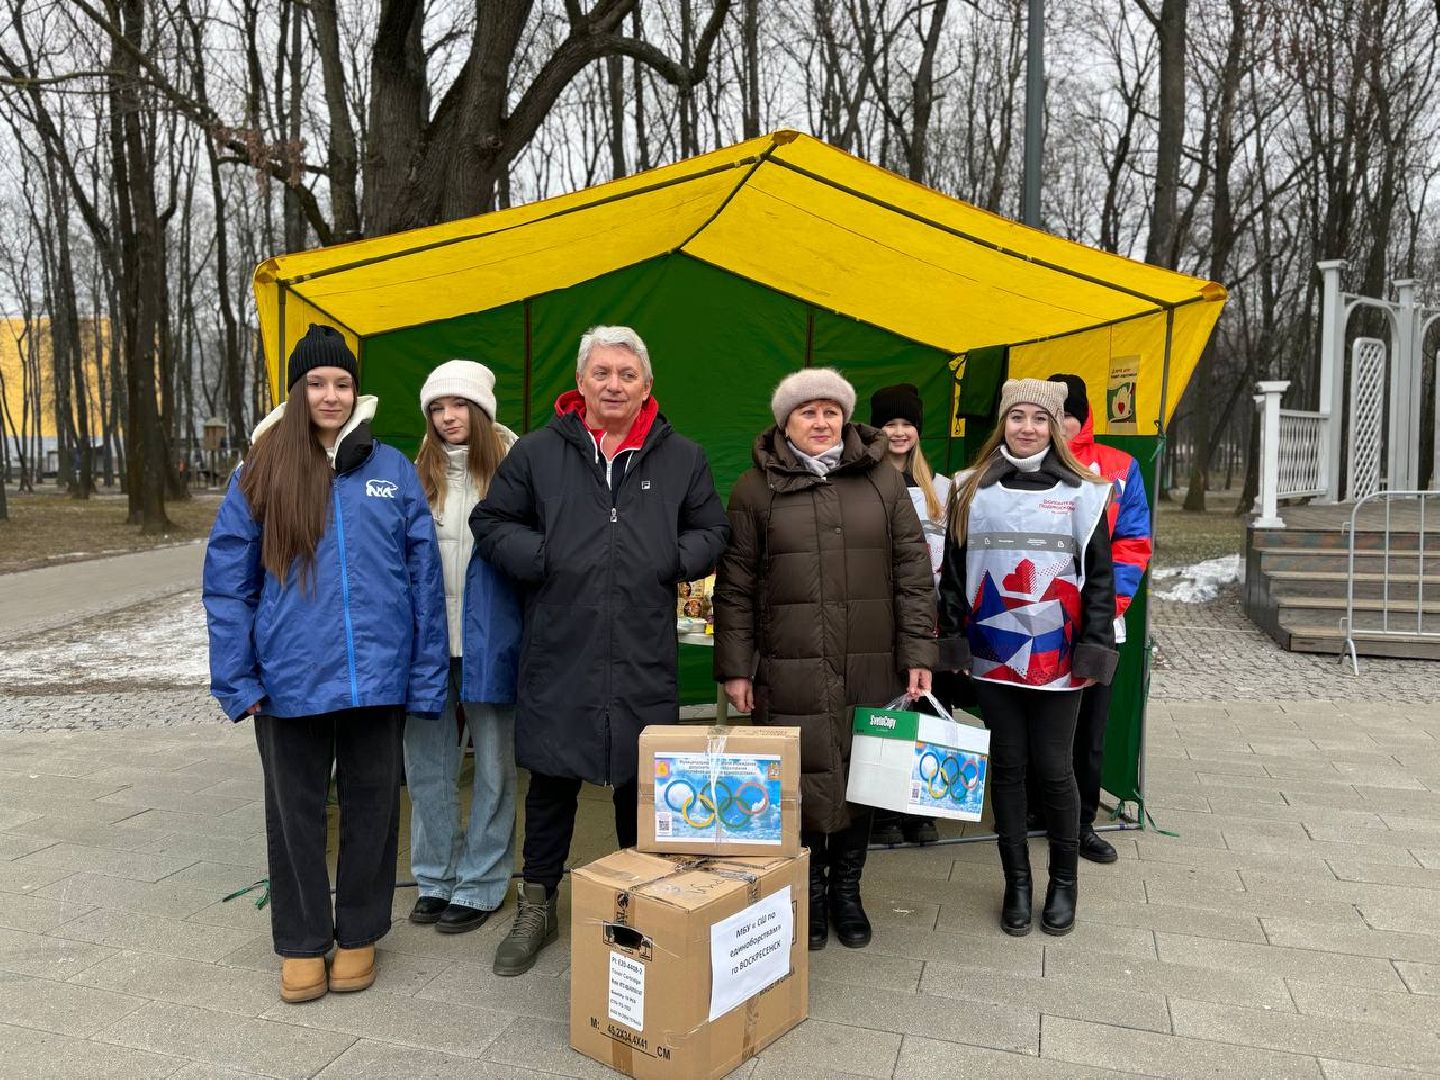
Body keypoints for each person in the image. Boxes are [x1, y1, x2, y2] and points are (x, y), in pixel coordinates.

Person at [470, 325, 729, 976]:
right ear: (580, 382)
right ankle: (538, 904)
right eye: (601, 373)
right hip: (561, 644)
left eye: (627, 374)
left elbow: (712, 529)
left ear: (647, 385)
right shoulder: (535, 453)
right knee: (553, 780)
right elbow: (492, 522)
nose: (614, 384)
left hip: (643, 646)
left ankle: (641, 903)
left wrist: (673, 558)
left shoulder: (683, 457)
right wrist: (543, 558)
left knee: (641, 785)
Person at [203, 323, 448, 1003]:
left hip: (378, 679)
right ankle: (304, 941)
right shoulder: (259, 471)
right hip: (288, 682)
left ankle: (361, 934)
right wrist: (238, 679)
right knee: (295, 815)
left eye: (342, 382)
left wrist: (425, 679)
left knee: (373, 811)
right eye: (319, 382)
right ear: (298, 390)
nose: (332, 394)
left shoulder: (392, 470)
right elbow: (228, 584)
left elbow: (422, 581)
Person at [713, 368, 936, 952]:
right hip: (790, 663)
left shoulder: (883, 482)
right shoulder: (754, 489)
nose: (820, 421)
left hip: (872, 658)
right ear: (785, 422)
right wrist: (737, 666)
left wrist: (918, 652)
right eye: (806, 412)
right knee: (802, 777)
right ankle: (808, 895)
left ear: (845, 417)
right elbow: (735, 588)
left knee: (862, 776)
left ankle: (848, 892)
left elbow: (914, 574)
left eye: (830, 411)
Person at [936, 378, 1116, 938]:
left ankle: (1064, 883)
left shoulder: (1087, 492)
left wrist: (1094, 651)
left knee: (1054, 769)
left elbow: (1101, 584)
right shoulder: (968, 489)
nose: (1028, 428)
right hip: (991, 654)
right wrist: (953, 642)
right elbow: (953, 574)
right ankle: (1017, 883)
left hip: (1058, 659)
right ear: (1003, 425)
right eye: (1017, 417)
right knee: (1008, 768)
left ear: (1057, 426)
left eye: (1040, 418)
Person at [404, 360, 522, 934]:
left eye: (459, 406)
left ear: (481, 411)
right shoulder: (412, 474)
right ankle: (434, 876)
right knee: (428, 765)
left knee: (495, 765)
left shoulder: (514, 470)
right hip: (426, 644)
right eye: (437, 408)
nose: (448, 417)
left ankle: (481, 882)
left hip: (491, 637)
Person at [1025, 373, 1154, 864]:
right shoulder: (1019, 463)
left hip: (1098, 625)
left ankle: (1081, 824)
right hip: (1033, 619)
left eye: (1064, 412)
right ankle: (1037, 811)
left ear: (1081, 415)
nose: (1055, 423)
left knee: (1089, 729)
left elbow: (1132, 543)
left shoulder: (1118, 469)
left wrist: (1108, 607)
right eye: (1045, 414)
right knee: (1034, 720)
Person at [868, 382, 952, 847]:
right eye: (889, 423)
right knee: (887, 713)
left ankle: (922, 810)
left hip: (930, 621)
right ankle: (882, 811)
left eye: (907, 424)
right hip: (882, 620)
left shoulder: (940, 489)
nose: (899, 433)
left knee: (930, 715)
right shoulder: (864, 483)